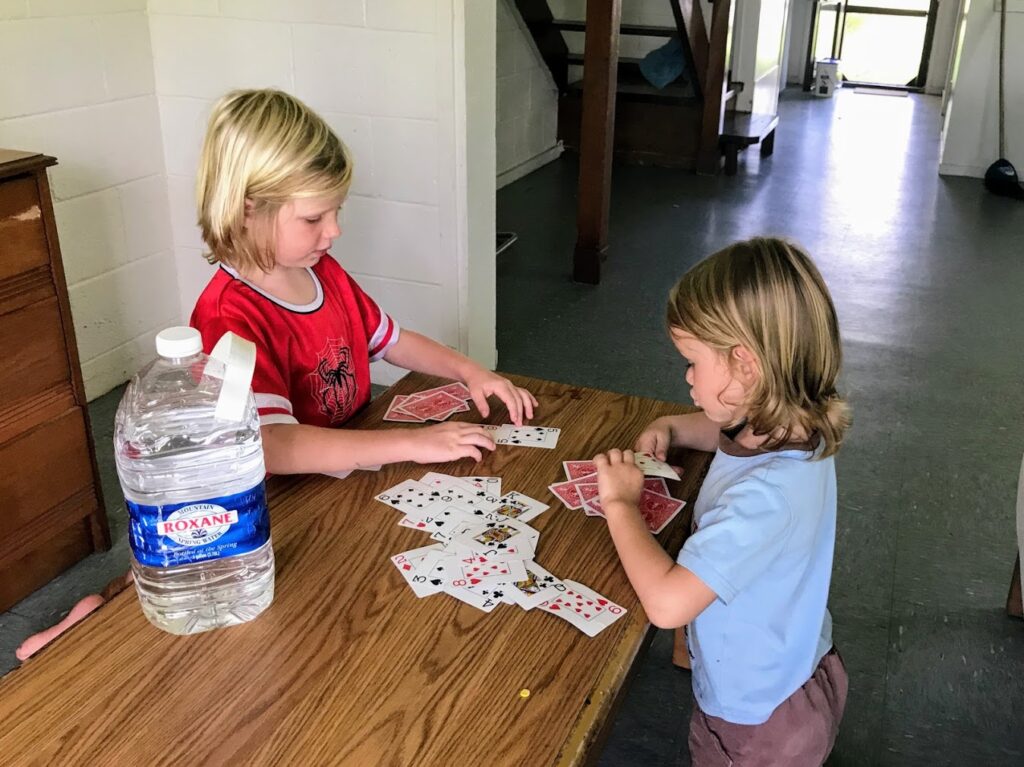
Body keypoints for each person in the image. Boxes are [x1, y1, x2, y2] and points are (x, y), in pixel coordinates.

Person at [593, 237, 851, 765]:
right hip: (799, 658)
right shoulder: (796, 424)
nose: (686, 376)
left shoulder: (767, 499)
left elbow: (666, 606)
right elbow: (728, 432)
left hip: (757, 723)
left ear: (745, 365)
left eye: (692, 361)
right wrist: (671, 426)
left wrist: (620, 505)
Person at [189, 89, 536, 476]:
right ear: (246, 210)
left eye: (337, 211)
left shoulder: (323, 270)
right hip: (292, 499)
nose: (335, 230)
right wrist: (413, 443)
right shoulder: (227, 318)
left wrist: (470, 370)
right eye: (313, 218)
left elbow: (392, 340)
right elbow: (272, 446)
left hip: (356, 461)